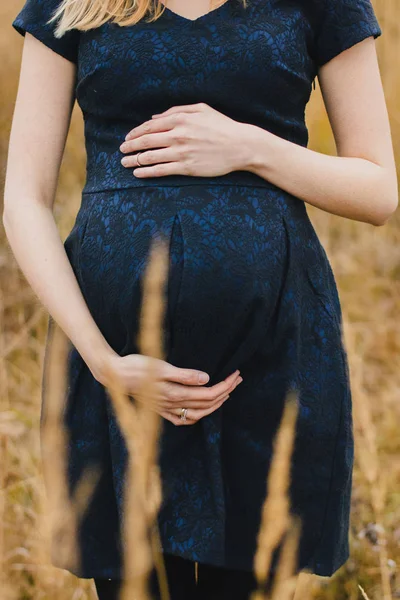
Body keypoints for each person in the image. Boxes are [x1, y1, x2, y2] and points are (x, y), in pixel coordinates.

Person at [4, 0, 397, 598]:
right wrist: (102, 360)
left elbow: (377, 190)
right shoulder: (73, 3)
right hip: (116, 365)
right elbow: (24, 198)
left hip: (266, 362)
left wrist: (250, 147)